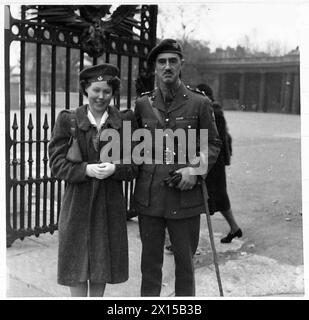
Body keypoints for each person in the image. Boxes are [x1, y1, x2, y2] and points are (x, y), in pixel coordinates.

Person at [133, 39, 222, 296]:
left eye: (173, 61)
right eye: (162, 62)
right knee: (150, 266)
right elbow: (134, 145)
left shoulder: (199, 103)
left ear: (181, 64)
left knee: (185, 264)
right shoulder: (142, 104)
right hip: (150, 198)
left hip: (185, 197)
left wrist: (195, 170)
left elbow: (213, 143)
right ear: (154, 68)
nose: (167, 66)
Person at [48, 63, 137, 297]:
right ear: (85, 90)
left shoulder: (124, 121)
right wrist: (85, 170)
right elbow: (56, 164)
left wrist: (115, 169)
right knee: (75, 264)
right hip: (77, 204)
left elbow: (137, 164)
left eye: (107, 91)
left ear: (113, 93)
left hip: (109, 205)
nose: (101, 96)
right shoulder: (68, 120)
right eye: (96, 90)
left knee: (101, 265)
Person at [196, 83, 242, 243]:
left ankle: (184, 240)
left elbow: (216, 139)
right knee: (217, 196)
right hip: (214, 161)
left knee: (204, 197)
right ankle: (235, 228)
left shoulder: (213, 111)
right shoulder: (212, 110)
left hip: (212, 162)